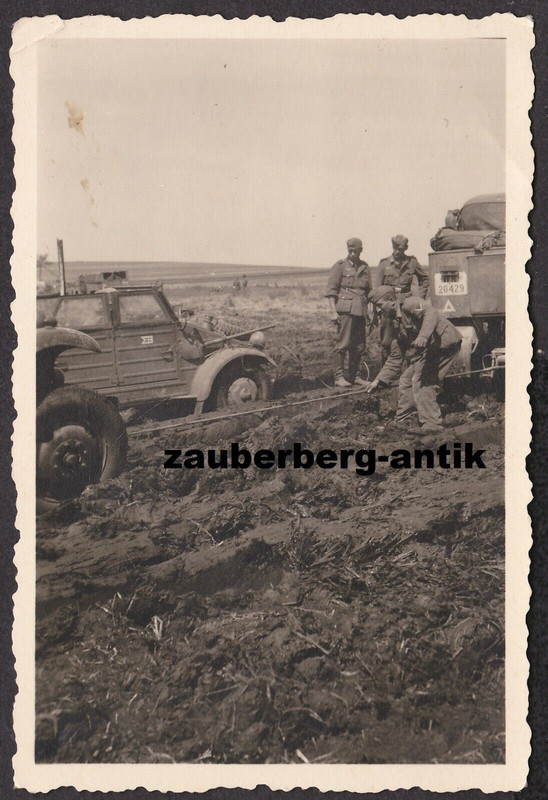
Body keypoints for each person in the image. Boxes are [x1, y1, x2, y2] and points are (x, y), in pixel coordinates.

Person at [366, 285, 462, 433]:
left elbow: (431, 313)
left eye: (379, 305)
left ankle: (432, 424)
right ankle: (405, 418)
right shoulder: (393, 321)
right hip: (428, 349)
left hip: (443, 343)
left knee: (424, 381)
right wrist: (378, 380)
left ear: (392, 300)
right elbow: (396, 356)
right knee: (406, 379)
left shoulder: (409, 303)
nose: (378, 310)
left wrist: (423, 335)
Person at [325, 237, 371, 387]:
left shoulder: (365, 267)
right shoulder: (340, 266)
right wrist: (333, 312)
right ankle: (339, 377)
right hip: (345, 311)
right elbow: (331, 291)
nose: (352, 254)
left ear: (361, 250)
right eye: (350, 250)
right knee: (342, 343)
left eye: (355, 251)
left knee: (359, 345)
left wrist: (371, 312)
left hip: (361, 311)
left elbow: (369, 293)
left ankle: (355, 376)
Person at [374, 235, 429, 299]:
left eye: (400, 249)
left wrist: (420, 297)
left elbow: (425, 279)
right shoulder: (384, 263)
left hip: (406, 299)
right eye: (394, 248)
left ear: (406, 248)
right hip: (389, 301)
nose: (396, 252)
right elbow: (377, 288)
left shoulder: (412, 262)